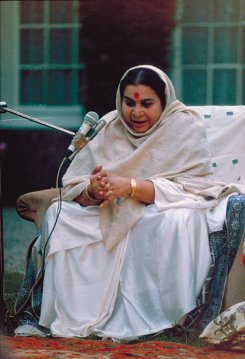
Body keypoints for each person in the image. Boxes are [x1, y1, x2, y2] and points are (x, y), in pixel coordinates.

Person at [14, 65, 244, 340]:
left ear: (164, 102)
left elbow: (194, 187)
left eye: (146, 104)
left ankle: (164, 320)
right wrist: (95, 191)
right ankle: (61, 316)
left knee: (177, 222)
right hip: (109, 209)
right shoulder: (110, 126)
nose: (135, 113)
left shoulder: (184, 126)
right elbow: (77, 182)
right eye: (129, 103)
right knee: (59, 216)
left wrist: (132, 187)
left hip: (163, 206)